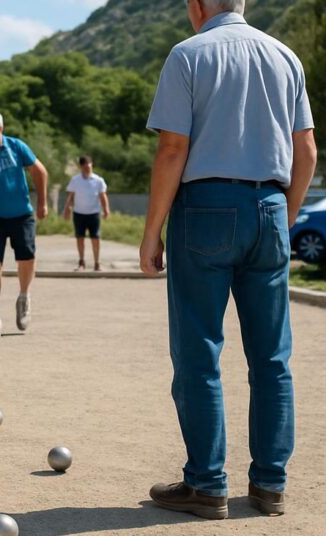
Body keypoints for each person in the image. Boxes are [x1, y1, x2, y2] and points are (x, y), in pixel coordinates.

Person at [140, 0, 317, 520]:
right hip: (270, 205)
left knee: (199, 352)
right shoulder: (286, 57)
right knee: (272, 359)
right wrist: (281, 218)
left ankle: (207, 484)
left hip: (206, 210)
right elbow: (305, 151)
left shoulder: (188, 54)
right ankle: (269, 486)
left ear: (197, 6)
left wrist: (152, 232)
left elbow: (173, 149)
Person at [0, 110, 49, 339]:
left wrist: (42, 201)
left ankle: (24, 296)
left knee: (26, 257)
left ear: (0, 129)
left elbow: (40, 171)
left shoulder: (16, 146)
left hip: (21, 213)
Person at [62, 156, 110, 271]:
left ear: (91, 165)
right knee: (80, 238)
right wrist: (66, 209)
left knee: (96, 238)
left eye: (89, 166)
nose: (87, 169)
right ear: (80, 167)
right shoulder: (75, 180)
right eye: (85, 167)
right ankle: (81, 262)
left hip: (94, 213)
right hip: (79, 213)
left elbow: (103, 196)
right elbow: (70, 196)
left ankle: (97, 263)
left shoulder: (98, 180)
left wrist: (106, 209)